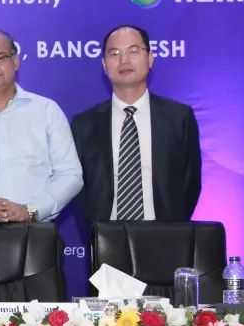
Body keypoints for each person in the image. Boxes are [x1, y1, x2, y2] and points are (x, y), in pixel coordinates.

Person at [71, 25, 201, 226]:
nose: (124, 60)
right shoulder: (84, 124)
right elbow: (80, 188)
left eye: (133, 51)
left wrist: (173, 227)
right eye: (115, 53)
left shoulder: (179, 118)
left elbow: (190, 183)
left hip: (167, 233)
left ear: (150, 58)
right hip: (105, 235)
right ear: (104, 65)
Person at [0, 29, 82, 223]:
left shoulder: (46, 110)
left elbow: (70, 175)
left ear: (15, 61)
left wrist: (30, 211)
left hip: (34, 232)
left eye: (0, 57)